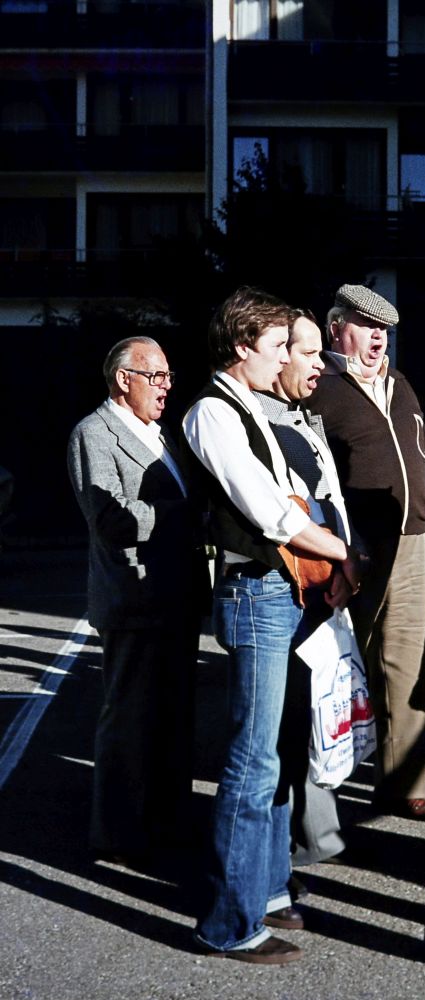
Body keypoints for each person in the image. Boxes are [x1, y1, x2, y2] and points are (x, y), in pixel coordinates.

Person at [182, 287, 362, 965]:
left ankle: (269, 888)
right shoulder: (212, 411)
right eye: (278, 345)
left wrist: (331, 556)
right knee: (252, 761)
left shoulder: (252, 408)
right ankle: (228, 923)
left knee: (282, 751)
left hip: (285, 590)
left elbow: (300, 496)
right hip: (256, 593)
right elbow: (273, 511)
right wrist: (345, 553)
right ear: (242, 346)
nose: (287, 358)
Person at [67, 336, 204, 867]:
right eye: (156, 376)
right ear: (124, 380)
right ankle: (118, 834)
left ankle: (168, 826)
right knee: (130, 721)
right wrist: (179, 515)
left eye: (168, 376)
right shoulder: (94, 432)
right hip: (134, 601)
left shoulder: (161, 433)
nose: (166, 387)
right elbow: (110, 519)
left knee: (172, 720)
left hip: (176, 598)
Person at [309, 283, 425, 820]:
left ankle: (404, 785)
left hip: (411, 539)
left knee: (406, 663)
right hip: (351, 546)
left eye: (383, 329)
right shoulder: (319, 385)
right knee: (344, 661)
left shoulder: (399, 383)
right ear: (337, 327)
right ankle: (319, 789)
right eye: (367, 326)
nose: (379, 337)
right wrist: (340, 546)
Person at [252, 308, 352, 866]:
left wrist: (346, 563)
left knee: (320, 712)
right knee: (286, 726)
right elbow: (286, 519)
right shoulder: (259, 422)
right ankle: (283, 848)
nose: (320, 365)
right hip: (287, 594)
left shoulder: (303, 416)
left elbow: (331, 501)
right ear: (279, 353)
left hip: (324, 588)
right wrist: (343, 557)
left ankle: (316, 833)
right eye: (310, 353)